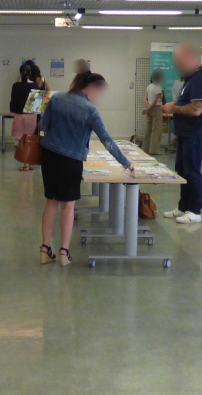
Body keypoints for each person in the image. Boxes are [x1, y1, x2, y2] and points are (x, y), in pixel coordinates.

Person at [38, 73, 133, 266]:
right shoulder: (90, 110)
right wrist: (125, 162)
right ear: (90, 87)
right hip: (71, 159)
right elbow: (106, 140)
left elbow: (43, 125)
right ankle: (64, 252)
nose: (100, 95)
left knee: (51, 202)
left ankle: (45, 249)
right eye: (99, 90)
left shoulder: (56, 98)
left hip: (49, 155)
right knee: (68, 205)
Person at [161, 43, 202, 224]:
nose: (178, 67)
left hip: (195, 133)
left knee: (192, 172)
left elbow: (196, 109)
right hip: (186, 134)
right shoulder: (191, 78)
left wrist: (173, 108)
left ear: (191, 59)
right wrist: (175, 104)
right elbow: (188, 101)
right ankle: (183, 206)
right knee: (182, 170)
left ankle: (195, 211)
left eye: (180, 62)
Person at [10, 63, 40, 171]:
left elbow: (14, 102)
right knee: (30, 139)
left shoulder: (16, 85)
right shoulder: (35, 85)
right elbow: (37, 103)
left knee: (21, 140)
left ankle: (25, 164)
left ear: (20, 72)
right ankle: (31, 163)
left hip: (20, 115)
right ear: (30, 73)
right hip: (31, 116)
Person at [142, 69, 165, 155]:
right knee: (156, 130)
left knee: (148, 129)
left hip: (149, 108)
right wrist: (149, 108)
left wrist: (147, 108)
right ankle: (154, 150)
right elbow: (155, 101)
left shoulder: (149, 86)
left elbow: (145, 99)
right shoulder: (158, 87)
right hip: (156, 109)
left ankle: (145, 148)